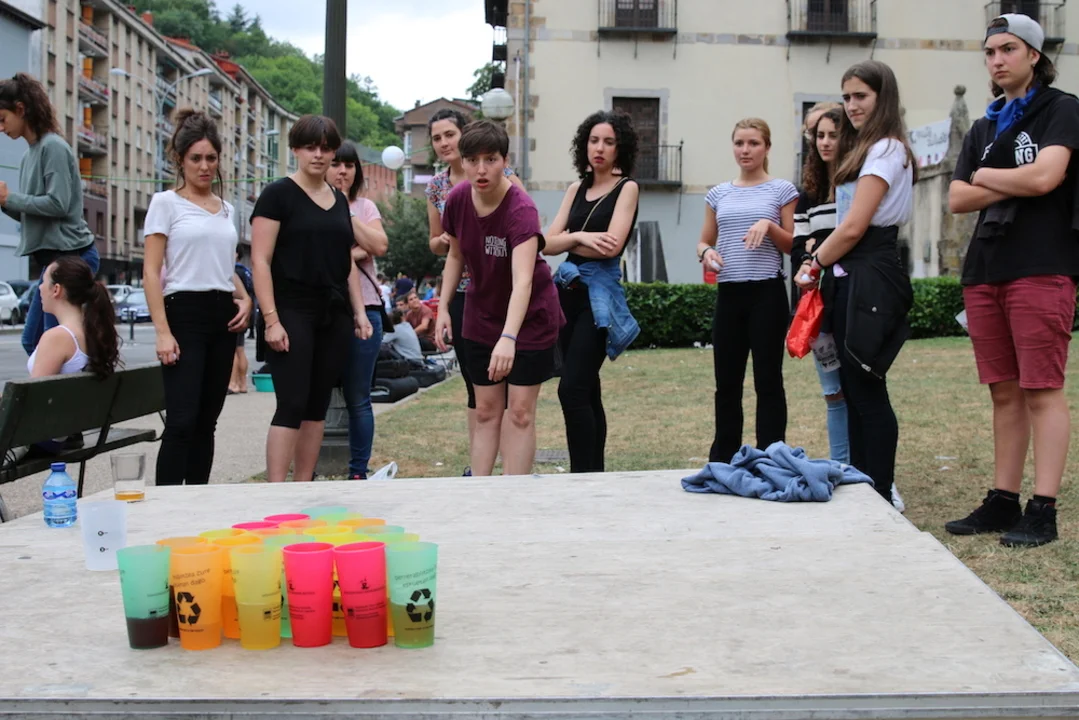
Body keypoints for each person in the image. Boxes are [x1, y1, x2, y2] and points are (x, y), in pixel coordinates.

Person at [945, 14, 1079, 547]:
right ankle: (1003, 500)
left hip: (1042, 265)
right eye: (990, 52)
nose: (997, 60)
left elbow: (1047, 176)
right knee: (1003, 392)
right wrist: (1008, 181)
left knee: (1041, 389)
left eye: (1008, 49)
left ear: (1034, 56)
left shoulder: (1061, 109)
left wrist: (985, 176)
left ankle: (1042, 509)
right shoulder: (984, 127)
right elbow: (957, 199)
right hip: (986, 268)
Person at [795, 60, 916, 506]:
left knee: (866, 386)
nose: (851, 105)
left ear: (883, 96)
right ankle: (867, 487)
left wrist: (813, 264)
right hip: (855, 271)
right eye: (846, 97)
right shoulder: (872, 149)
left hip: (871, 270)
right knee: (853, 385)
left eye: (860, 95)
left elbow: (852, 227)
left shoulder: (886, 149)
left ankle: (879, 491)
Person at [434, 120, 563, 477]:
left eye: (490, 159)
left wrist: (509, 338)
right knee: (486, 410)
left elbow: (523, 282)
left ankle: (513, 496)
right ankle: (481, 494)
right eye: (472, 160)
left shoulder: (521, 209)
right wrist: (443, 308)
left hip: (530, 318)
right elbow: (455, 256)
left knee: (519, 412)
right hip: (482, 314)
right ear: (462, 162)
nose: (481, 169)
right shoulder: (457, 199)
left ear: (505, 161)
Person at [250, 115, 372, 483]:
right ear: (295, 150)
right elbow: (260, 260)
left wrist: (359, 312)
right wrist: (271, 320)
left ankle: (303, 484)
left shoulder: (339, 200)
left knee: (318, 405)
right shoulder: (277, 195)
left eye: (325, 148)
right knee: (292, 402)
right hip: (290, 309)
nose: (318, 154)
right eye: (310, 147)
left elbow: (346, 262)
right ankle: (276, 489)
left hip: (332, 313)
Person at [143, 110, 253, 487]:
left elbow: (222, 266)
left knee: (208, 422)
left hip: (222, 317)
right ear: (180, 160)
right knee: (181, 421)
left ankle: (197, 503)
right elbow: (151, 272)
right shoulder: (166, 203)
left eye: (211, 158)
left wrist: (245, 298)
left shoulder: (228, 210)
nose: (204, 166)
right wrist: (162, 332)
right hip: (183, 313)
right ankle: (166, 506)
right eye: (196, 158)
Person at [425, 108, 526, 473]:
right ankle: (479, 469)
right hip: (466, 292)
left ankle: (510, 469)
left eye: (449, 134)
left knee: (513, 397)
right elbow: (441, 245)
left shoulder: (504, 178)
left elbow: (525, 229)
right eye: (437, 138)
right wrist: (447, 240)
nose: (444, 143)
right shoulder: (440, 188)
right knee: (478, 392)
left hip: (505, 290)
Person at [696, 118, 798, 464]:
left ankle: (772, 456)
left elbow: (792, 245)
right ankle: (724, 457)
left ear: (767, 147)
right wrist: (706, 253)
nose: (745, 150)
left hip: (767, 293)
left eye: (753, 143)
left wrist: (769, 225)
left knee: (768, 380)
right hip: (729, 294)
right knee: (726, 383)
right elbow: (703, 241)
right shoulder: (718, 194)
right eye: (739, 143)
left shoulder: (782, 190)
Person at [544, 110, 641, 472]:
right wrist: (582, 237)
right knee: (587, 389)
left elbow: (611, 246)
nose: (599, 148)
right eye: (594, 140)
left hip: (599, 298)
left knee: (570, 389)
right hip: (567, 294)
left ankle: (582, 476)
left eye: (608, 142)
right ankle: (594, 475)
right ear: (584, 145)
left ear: (620, 148)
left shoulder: (627, 187)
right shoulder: (576, 189)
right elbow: (546, 244)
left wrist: (569, 240)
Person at [0, 73, 101, 356]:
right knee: (33, 342)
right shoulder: (29, 155)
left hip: (73, 256)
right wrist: (5, 203)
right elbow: (35, 213)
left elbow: (58, 204)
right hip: (53, 261)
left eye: (3, 119)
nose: (1, 128)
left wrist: (11, 198)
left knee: (52, 344)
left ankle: (83, 379)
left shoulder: (52, 147)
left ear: (21, 109)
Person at [330, 140, 389, 480]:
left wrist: (345, 211)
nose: (342, 171)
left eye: (349, 165)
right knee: (310, 397)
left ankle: (357, 473)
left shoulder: (364, 207)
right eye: (336, 164)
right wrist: (355, 250)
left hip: (366, 310)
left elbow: (379, 244)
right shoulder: (311, 204)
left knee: (358, 397)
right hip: (323, 310)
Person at [28, 256, 118, 380]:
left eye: (43, 281)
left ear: (56, 289)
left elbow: (34, 391)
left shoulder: (56, 338)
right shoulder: (92, 330)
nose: (40, 287)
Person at [230, 248, 255, 394]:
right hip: (246, 311)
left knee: (233, 350)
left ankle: (233, 383)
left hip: (235, 311)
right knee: (240, 349)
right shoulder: (245, 271)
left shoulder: (234, 271)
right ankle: (243, 384)